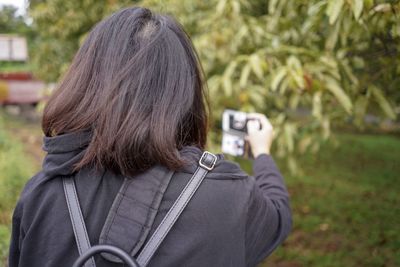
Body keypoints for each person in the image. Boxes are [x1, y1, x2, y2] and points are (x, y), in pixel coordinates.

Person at [8, 7, 291, 267]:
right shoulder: (228, 197)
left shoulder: (41, 196)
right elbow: (278, 216)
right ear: (183, 92)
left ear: (86, 82)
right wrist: (262, 153)